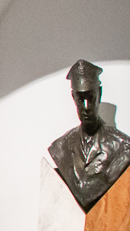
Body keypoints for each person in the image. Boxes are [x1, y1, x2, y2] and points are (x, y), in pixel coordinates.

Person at [48, 59, 130, 212]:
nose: (86, 107)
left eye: (90, 97)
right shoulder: (60, 147)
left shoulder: (123, 146)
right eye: (80, 99)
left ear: (99, 94)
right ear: (73, 98)